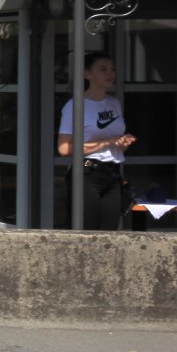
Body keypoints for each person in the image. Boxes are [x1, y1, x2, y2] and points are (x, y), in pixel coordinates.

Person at [57, 51, 136, 230]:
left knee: (110, 230)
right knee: (86, 230)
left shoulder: (114, 103)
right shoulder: (75, 105)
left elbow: (115, 146)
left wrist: (122, 144)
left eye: (112, 69)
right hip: (86, 173)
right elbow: (64, 148)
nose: (110, 74)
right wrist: (109, 142)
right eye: (103, 69)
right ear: (87, 74)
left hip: (112, 173)